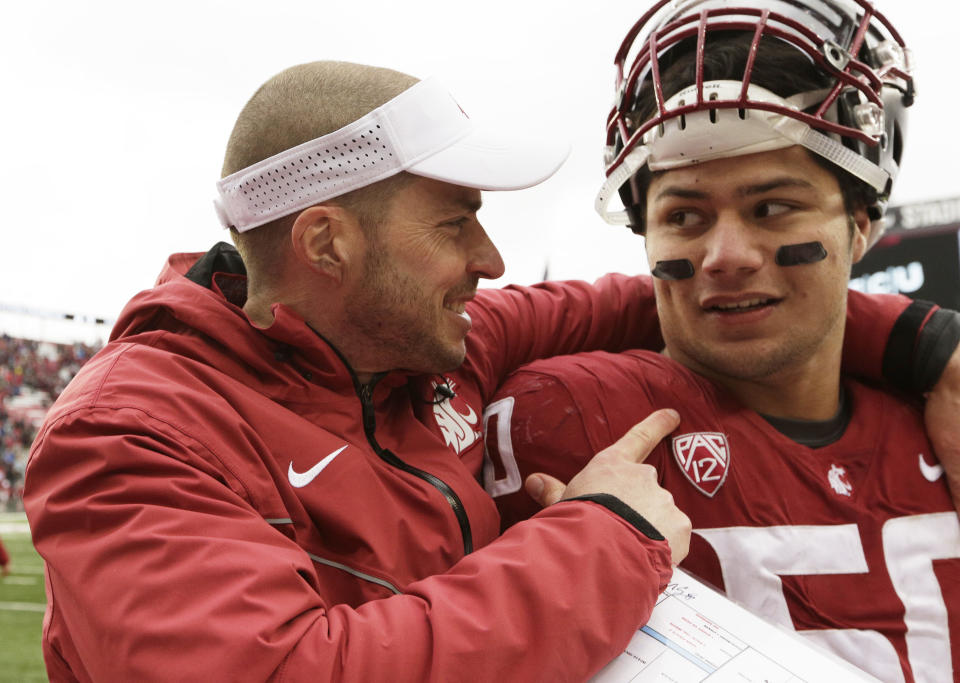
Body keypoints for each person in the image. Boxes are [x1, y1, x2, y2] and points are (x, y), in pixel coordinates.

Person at [21, 58, 957, 682]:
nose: (492, 258)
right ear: (326, 241)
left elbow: (664, 298)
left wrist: (923, 343)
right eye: (455, 220)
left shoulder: (418, 344)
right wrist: (603, 537)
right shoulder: (130, 434)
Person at [487, 2, 959, 681]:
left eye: (772, 207)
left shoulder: (936, 415)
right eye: (684, 215)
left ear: (861, 224)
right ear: (644, 237)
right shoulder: (574, 414)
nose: (725, 256)